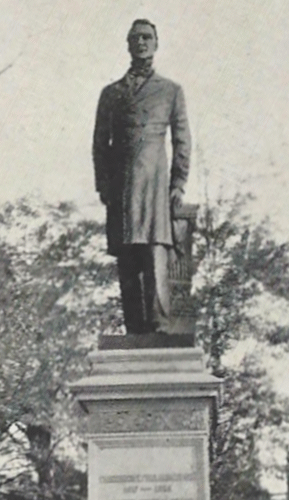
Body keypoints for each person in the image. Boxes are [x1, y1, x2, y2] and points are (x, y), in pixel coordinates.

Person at [93, 19, 191, 334]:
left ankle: (159, 324)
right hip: (122, 187)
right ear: (128, 44)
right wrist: (104, 185)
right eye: (136, 38)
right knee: (127, 256)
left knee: (155, 252)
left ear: (156, 43)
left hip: (155, 187)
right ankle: (134, 327)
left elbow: (182, 141)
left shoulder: (170, 91)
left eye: (147, 37)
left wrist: (178, 184)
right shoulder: (111, 94)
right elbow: (99, 144)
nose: (142, 43)